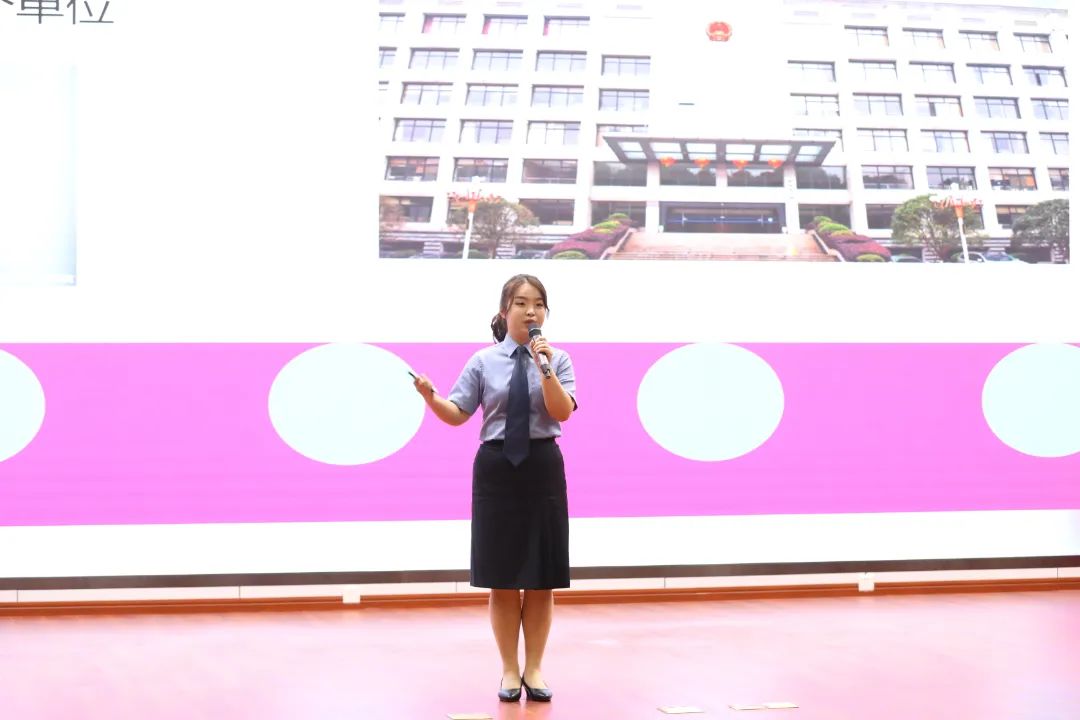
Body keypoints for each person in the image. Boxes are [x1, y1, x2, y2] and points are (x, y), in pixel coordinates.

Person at [412, 274, 577, 703]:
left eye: (538, 304)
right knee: (502, 576)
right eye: (521, 303)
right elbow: (457, 413)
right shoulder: (483, 361)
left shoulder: (557, 359)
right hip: (497, 469)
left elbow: (562, 411)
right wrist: (430, 397)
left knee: (541, 577)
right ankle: (508, 670)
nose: (530, 311)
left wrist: (544, 367)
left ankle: (534, 668)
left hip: (542, 467)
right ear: (504, 312)